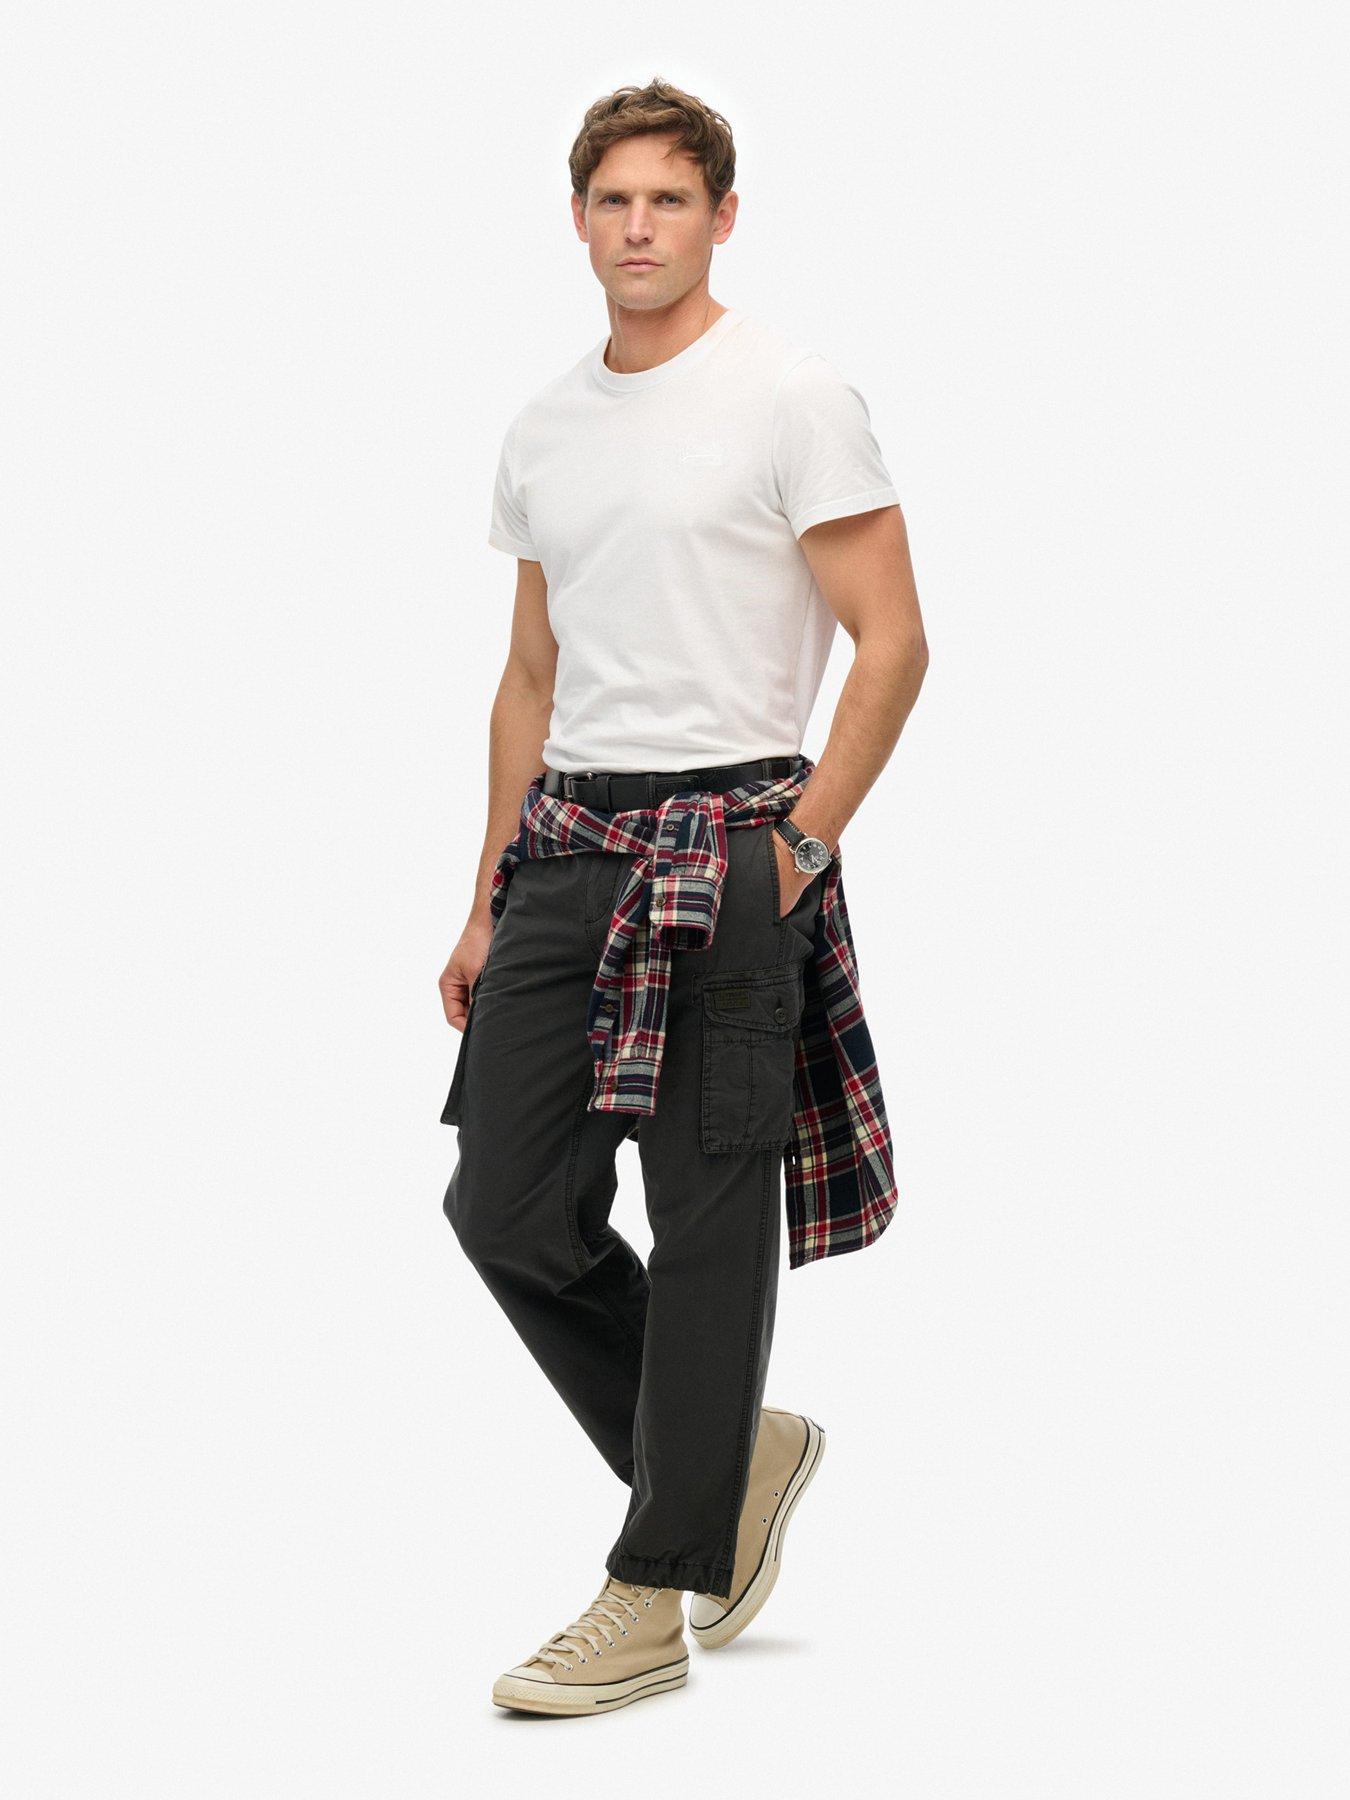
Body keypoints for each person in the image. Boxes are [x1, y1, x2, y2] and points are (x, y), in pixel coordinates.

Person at [437, 76, 929, 1717]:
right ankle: (738, 1455)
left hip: (733, 838)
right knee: (505, 1208)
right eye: (612, 200)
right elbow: (528, 675)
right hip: (567, 843)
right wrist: (486, 896)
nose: (638, 227)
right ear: (576, 220)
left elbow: (892, 641)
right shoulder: (543, 428)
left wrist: (799, 846)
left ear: (722, 218)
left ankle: (653, 1588)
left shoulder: (790, 398)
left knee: (708, 1219)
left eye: (669, 199)